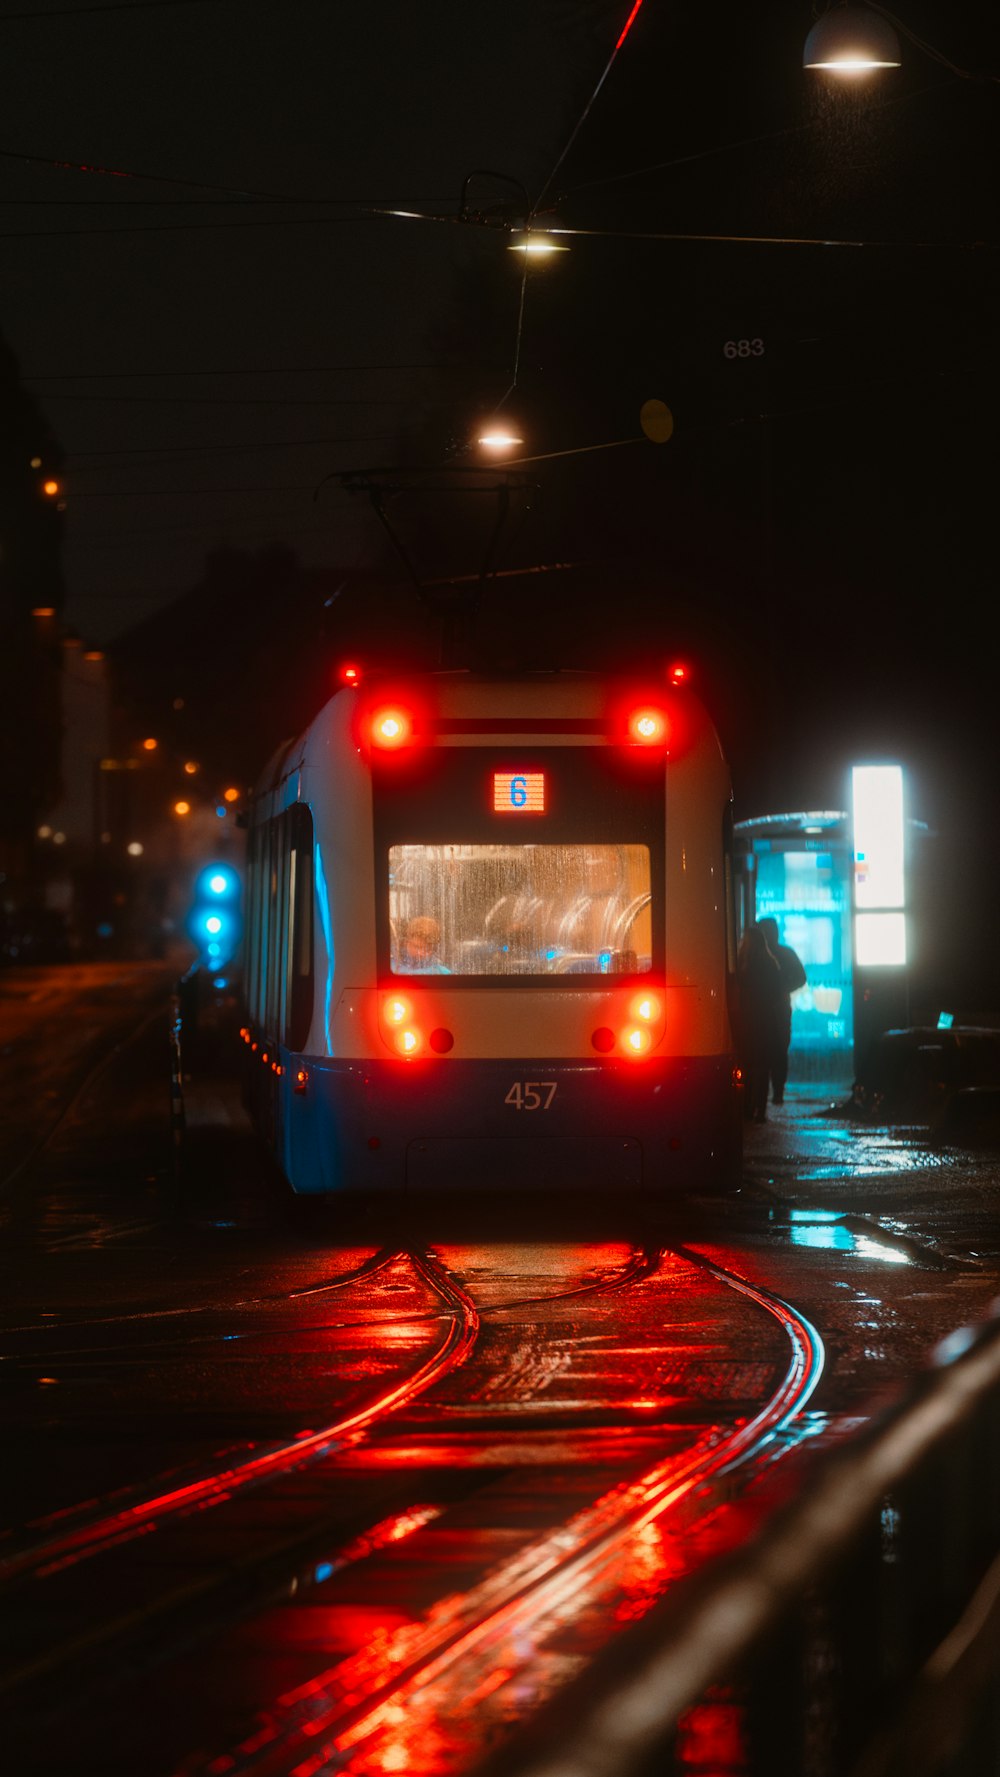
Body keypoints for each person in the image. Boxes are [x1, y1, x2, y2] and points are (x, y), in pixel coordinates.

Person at [735, 925, 784, 1122]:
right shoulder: (770, 964)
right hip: (765, 1020)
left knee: (746, 1066)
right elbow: (776, 994)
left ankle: (746, 1108)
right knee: (762, 1067)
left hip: (746, 1021)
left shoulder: (741, 965)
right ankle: (760, 1110)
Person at [757, 917, 807, 1106]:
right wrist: (783, 989)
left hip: (760, 1010)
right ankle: (777, 1092)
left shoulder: (754, 955)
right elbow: (801, 978)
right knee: (779, 1050)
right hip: (780, 1009)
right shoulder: (786, 954)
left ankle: (762, 1096)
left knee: (763, 1053)